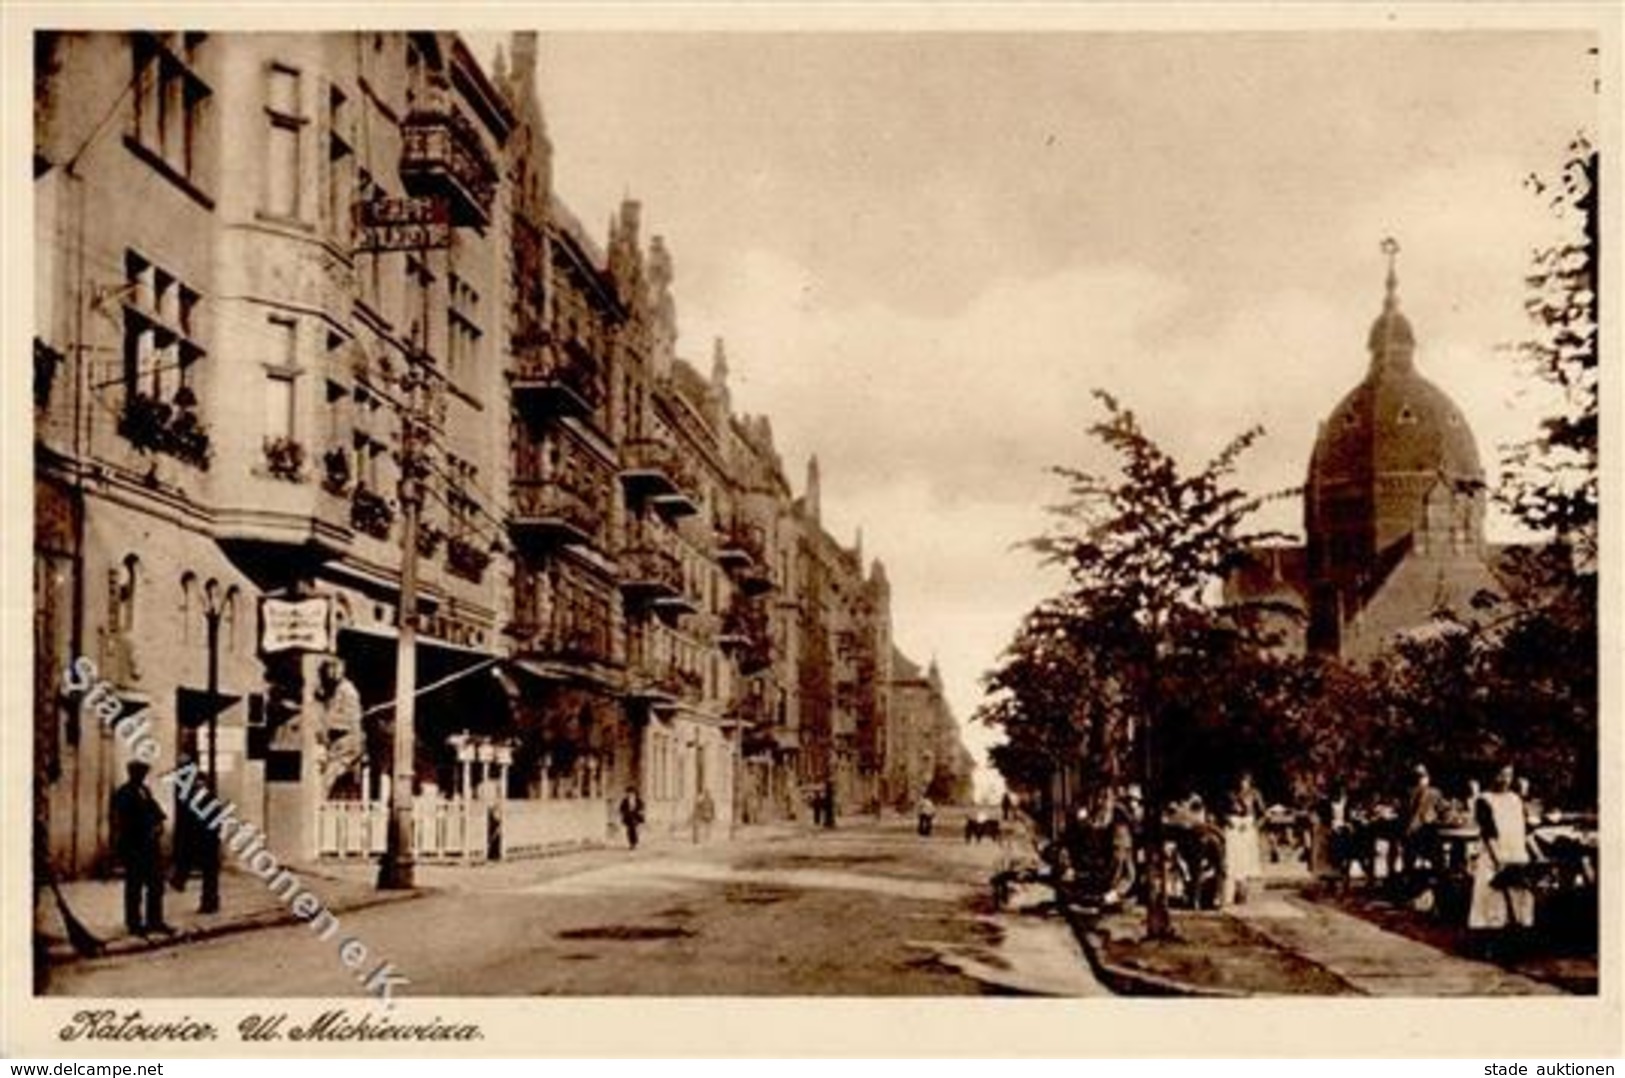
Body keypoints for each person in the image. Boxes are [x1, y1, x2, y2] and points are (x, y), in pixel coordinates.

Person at [1469, 764, 1537, 939]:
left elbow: (1526, 829)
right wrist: (1498, 860)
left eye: (1509, 775)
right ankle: (1490, 942)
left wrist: (1536, 854)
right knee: (1494, 900)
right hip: (1495, 856)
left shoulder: (1516, 799)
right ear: (1492, 776)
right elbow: (1488, 833)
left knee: (1520, 899)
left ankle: (1518, 937)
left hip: (1517, 854)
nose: (1506, 780)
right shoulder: (1484, 800)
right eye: (1501, 775)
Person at [111, 761, 171, 936]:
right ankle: (134, 923)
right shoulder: (124, 793)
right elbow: (124, 822)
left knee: (156, 885)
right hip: (134, 847)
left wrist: (158, 824)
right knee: (134, 887)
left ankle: (155, 921)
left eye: (144, 773)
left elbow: (157, 811)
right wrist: (146, 829)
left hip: (150, 847)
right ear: (132, 773)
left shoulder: (145, 791)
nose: (142, 776)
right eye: (139, 773)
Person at [1222, 772, 1266, 905]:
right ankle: (1233, 892)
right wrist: (1228, 820)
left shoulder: (1255, 794)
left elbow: (1263, 814)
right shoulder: (1230, 794)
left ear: (1249, 781)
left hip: (1248, 826)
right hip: (1234, 826)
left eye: (1245, 780)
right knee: (1233, 859)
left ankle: (1243, 892)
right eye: (1241, 780)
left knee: (1246, 860)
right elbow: (1223, 812)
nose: (1242, 783)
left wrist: (1255, 825)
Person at [1403, 764, 1445, 877]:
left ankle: (1412, 874)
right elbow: (1442, 810)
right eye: (1420, 777)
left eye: (1423, 776)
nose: (1422, 779)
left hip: (1414, 832)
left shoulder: (1411, 792)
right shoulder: (1432, 792)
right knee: (1436, 851)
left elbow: (1442, 809)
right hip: (1424, 832)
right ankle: (1437, 874)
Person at [618, 786, 645, 851]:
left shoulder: (638, 800)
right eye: (629, 793)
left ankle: (635, 842)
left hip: (636, 816)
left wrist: (639, 811)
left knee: (635, 829)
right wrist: (626, 812)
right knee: (630, 830)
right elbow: (621, 809)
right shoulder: (625, 800)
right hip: (628, 817)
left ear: (635, 793)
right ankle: (632, 843)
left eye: (632, 793)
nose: (630, 794)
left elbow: (641, 807)